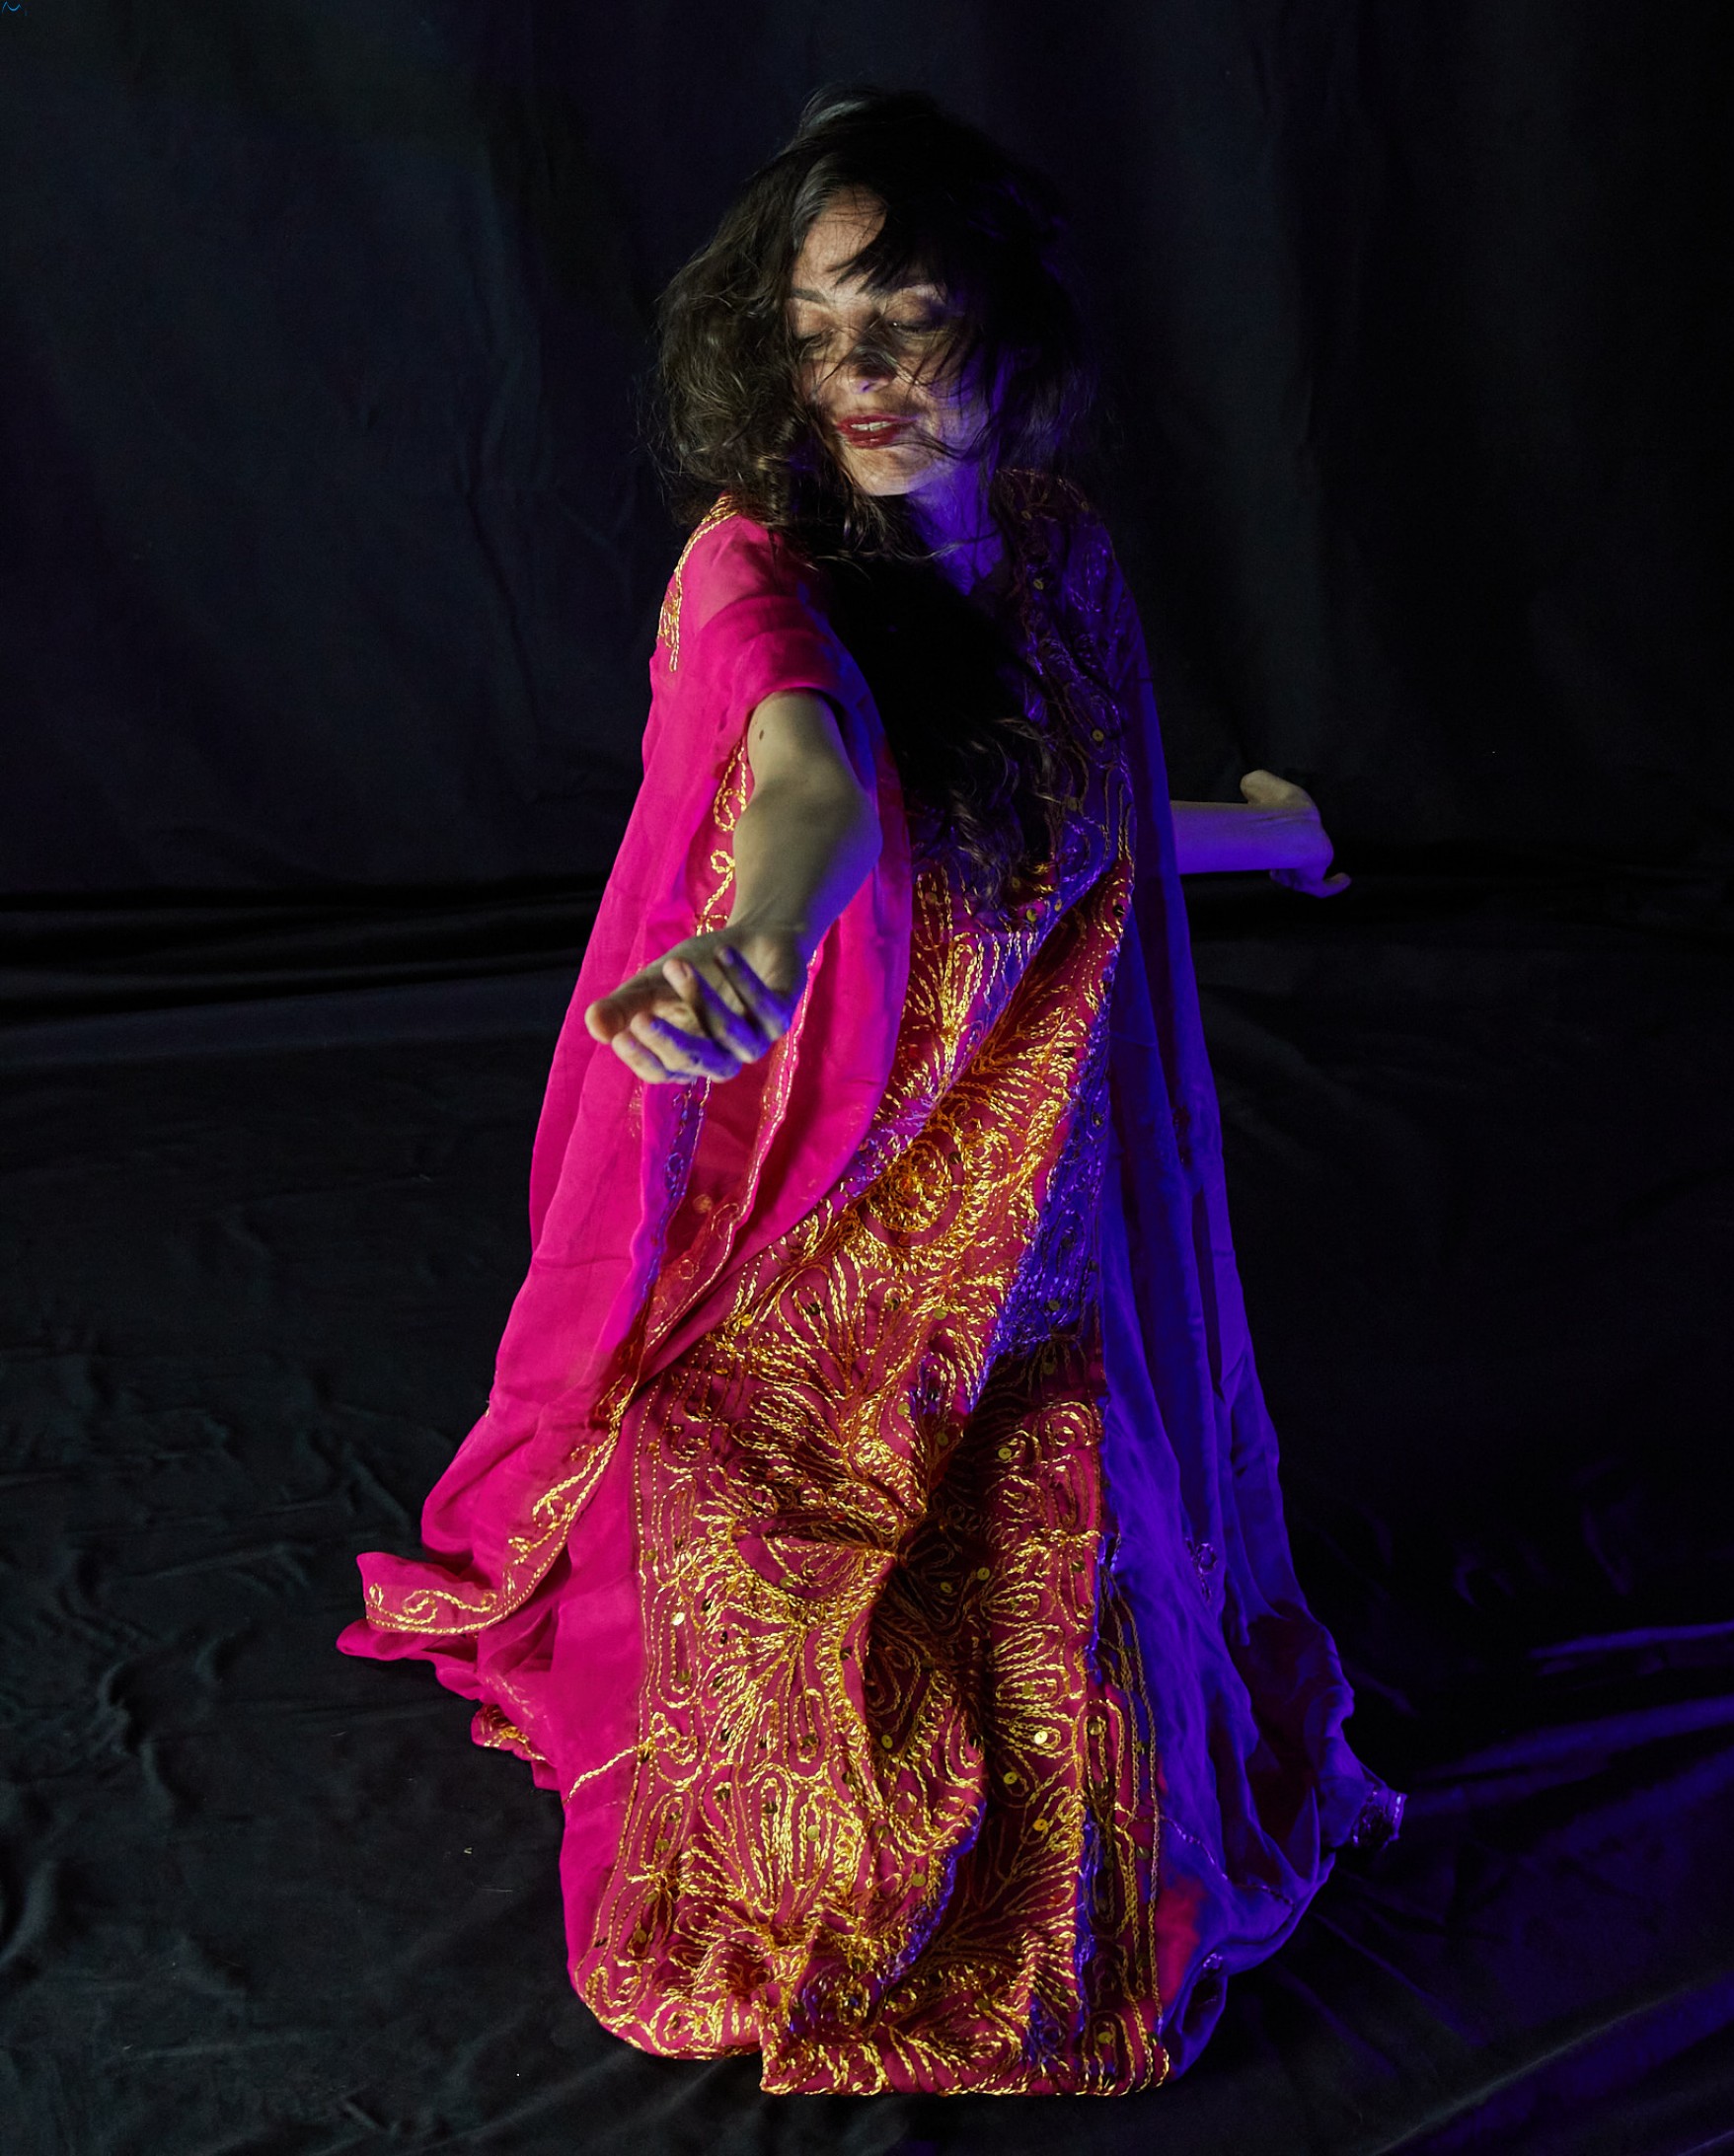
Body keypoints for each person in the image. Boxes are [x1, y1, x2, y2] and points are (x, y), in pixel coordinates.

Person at [339, 87, 1401, 2097]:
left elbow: (1080, 826)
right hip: (820, 1266)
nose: (863, 380)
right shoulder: (754, 574)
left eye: (907, 322)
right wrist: (755, 940)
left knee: (1100, 1739)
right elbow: (811, 783)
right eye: (821, 332)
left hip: (1038, 1269)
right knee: (824, 1749)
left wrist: (1272, 835)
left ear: (1008, 329)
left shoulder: (1059, 557)